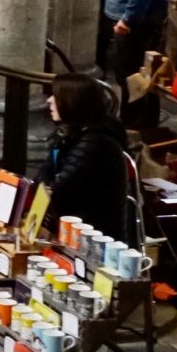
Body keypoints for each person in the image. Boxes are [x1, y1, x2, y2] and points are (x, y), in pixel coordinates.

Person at [36, 72, 134, 240]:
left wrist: (42, 188)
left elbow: (59, 190)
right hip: (72, 229)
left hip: (92, 239)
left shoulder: (96, 143)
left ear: (72, 102)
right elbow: (43, 176)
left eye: (56, 96)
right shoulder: (72, 133)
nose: (49, 100)